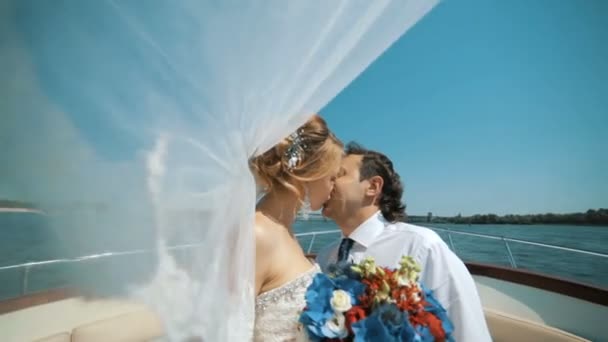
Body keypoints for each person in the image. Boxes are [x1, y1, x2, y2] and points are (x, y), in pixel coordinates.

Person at [317, 143, 492, 342]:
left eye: (338, 175)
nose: (327, 184)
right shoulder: (324, 257)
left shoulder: (421, 246)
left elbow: (467, 332)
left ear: (373, 187)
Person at [250, 114, 343, 341]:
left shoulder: (286, 233)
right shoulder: (257, 233)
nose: (334, 186)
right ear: (309, 173)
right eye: (332, 177)